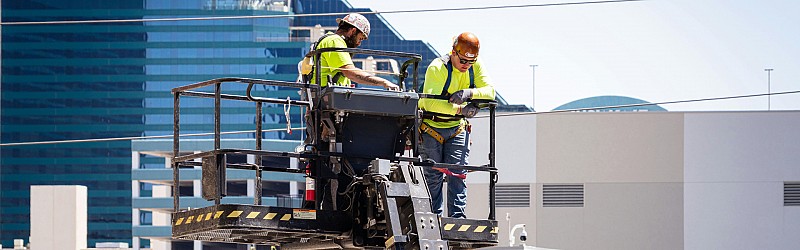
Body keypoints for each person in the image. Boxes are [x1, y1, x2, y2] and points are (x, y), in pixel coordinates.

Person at [418, 32, 495, 218]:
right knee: (433, 177)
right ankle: (432, 219)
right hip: (432, 127)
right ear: (453, 52)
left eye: (470, 62)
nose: (465, 66)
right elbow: (429, 103)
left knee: (457, 175)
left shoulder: (474, 65)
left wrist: (469, 93)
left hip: (457, 130)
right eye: (462, 61)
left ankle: (457, 220)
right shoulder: (438, 67)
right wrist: (460, 110)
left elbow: (490, 92)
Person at [308, 13, 399, 91]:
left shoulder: (329, 39)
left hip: (328, 97)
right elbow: (351, 73)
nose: (359, 43)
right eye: (360, 38)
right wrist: (384, 82)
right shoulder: (335, 41)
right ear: (353, 31)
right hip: (326, 98)